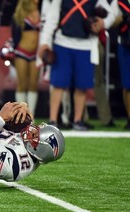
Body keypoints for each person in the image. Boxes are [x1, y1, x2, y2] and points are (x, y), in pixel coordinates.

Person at [38, 0, 116, 131]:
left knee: (82, 86)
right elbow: (51, 19)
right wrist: (44, 42)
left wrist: (104, 23)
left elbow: (113, 12)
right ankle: (53, 119)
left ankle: (78, 120)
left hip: (86, 45)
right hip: (62, 43)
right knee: (58, 84)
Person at [11, 0, 40, 119]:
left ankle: (30, 115)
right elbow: (15, 35)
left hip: (36, 54)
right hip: (22, 52)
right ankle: (20, 115)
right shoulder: (20, 13)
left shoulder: (42, 12)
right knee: (22, 84)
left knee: (33, 85)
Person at [115, 0, 130, 129]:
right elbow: (111, 21)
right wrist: (124, 17)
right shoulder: (120, 2)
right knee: (127, 84)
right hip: (125, 43)